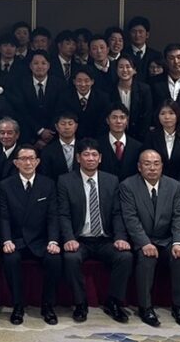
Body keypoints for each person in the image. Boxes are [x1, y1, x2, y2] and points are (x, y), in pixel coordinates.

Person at [55, 138, 133, 323]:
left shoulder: (111, 180)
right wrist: (68, 238)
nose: (90, 158)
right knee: (71, 258)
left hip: (105, 239)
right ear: (78, 158)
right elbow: (63, 214)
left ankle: (114, 302)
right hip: (80, 239)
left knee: (125, 256)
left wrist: (120, 237)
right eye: (86, 154)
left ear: (100, 158)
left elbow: (117, 213)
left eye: (94, 155)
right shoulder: (65, 181)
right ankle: (80, 303)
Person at [119, 150, 180, 328]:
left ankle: (179, 307)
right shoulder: (128, 186)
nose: (152, 168)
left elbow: (179, 216)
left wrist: (179, 243)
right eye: (147, 164)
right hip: (142, 239)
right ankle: (145, 308)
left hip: (166, 239)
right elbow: (131, 218)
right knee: (147, 258)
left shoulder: (174, 186)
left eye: (156, 163)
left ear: (162, 166)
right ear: (139, 167)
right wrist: (144, 243)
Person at [0, 145, 61, 325]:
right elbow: (3, 217)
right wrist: (7, 240)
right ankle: (18, 305)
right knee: (10, 259)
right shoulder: (6, 185)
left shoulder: (48, 184)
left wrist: (53, 240)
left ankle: (47, 305)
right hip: (16, 240)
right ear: (16, 163)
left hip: (40, 240)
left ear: (37, 162)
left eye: (31, 158)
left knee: (54, 259)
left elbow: (53, 216)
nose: (28, 163)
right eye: (23, 159)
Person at [14, 50, 67, 147]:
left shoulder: (59, 84)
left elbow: (60, 110)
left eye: (43, 63)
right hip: (29, 136)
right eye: (36, 63)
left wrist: (49, 133)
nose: (39, 66)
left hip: (54, 135)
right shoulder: (21, 84)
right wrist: (40, 131)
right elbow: (22, 111)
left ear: (48, 65)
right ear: (30, 66)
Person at [145, 100, 180, 180]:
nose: (167, 117)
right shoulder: (151, 136)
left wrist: (177, 184)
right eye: (163, 113)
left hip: (179, 182)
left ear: (177, 115)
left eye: (171, 113)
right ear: (158, 116)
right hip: (155, 181)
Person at [110, 55, 153, 141]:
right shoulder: (109, 90)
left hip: (139, 137)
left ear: (134, 70)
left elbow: (147, 116)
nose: (125, 70)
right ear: (116, 70)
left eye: (128, 66)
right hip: (115, 136)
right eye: (121, 67)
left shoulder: (144, 89)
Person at [97, 104, 143, 182]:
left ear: (127, 121)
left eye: (122, 117)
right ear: (107, 120)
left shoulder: (137, 147)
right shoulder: (98, 145)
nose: (118, 121)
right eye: (114, 117)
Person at [70, 69, 110, 140]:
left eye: (86, 81)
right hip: (73, 138)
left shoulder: (103, 98)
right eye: (79, 81)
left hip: (98, 138)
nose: (83, 84)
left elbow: (105, 121)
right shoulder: (65, 98)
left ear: (92, 82)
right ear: (74, 82)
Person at [39, 112, 79, 181]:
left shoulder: (83, 148)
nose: (67, 127)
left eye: (70, 124)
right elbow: (45, 176)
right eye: (63, 124)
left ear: (76, 126)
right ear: (56, 127)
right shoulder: (47, 151)